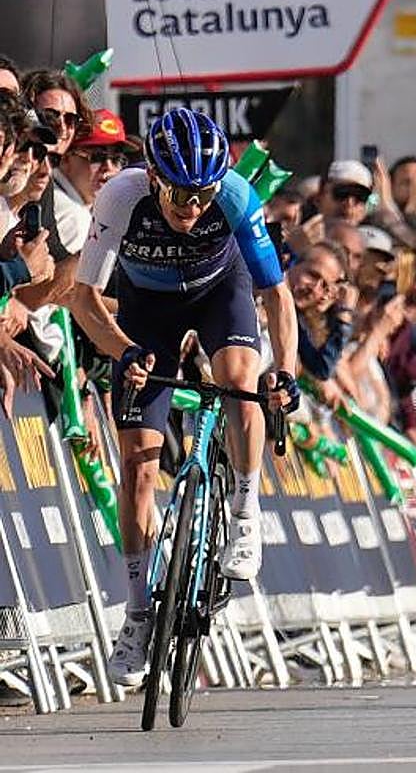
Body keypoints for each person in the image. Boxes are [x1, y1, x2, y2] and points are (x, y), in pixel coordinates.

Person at [71, 107, 300, 686]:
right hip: (146, 311)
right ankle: (138, 611)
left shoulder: (236, 196)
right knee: (139, 468)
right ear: (153, 177)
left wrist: (288, 373)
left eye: (203, 194)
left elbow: (276, 296)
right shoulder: (120, 198)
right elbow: (84, 298)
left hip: (221, 292)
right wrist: (124, 351)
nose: (193, 207)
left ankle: (246, 512)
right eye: (180, 196)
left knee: (241, 378)